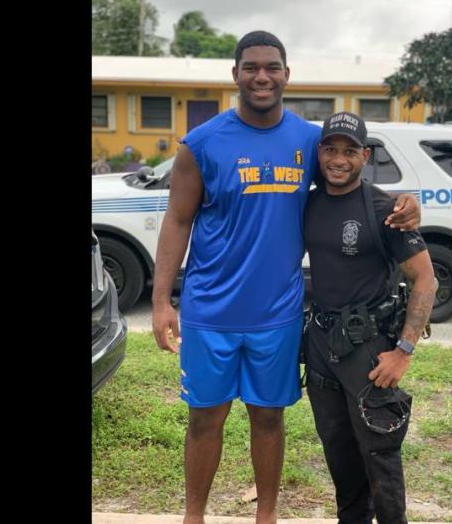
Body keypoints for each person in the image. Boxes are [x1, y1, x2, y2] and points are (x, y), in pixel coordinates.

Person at [150, 31, 421, 524]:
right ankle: (193, 516)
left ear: (286, 75)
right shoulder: (202, 144)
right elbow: (177, 220)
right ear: (235, 75)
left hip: (278, 315)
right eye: (250, 67)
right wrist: (162, 298)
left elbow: (347, 178)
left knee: (268, 418)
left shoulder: (306, 140)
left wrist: (404, 203)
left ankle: (267, 516)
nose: (261, 76)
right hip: (210, 312)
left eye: (271, 67)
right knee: (205, 419)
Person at [302, 111, 436, 524]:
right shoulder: (306, 202)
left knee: (379, 455)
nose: (338, 159)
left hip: (370, 351)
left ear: (365, 155)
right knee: (339, 453)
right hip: (322, 344)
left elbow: (426, 281)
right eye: (330, 149)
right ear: (319, 153)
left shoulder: (386, 209)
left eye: (349, 151)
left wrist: (404, 351)